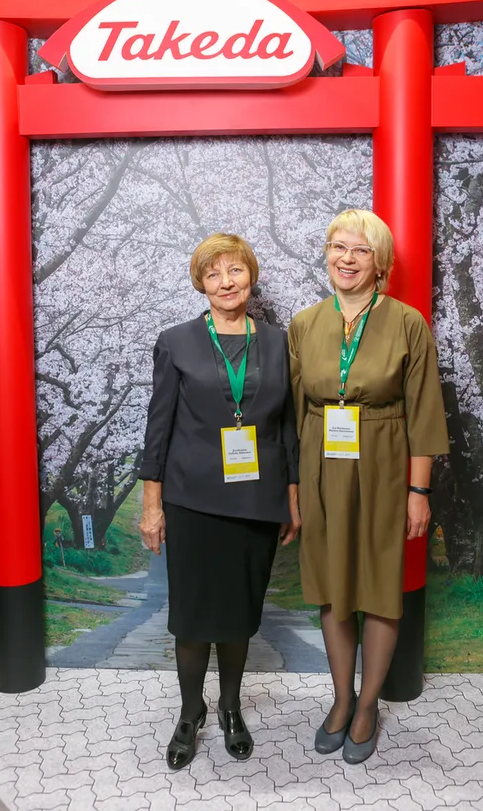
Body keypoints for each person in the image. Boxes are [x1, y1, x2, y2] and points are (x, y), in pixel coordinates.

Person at [288, 209, 449, 764]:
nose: (347, 258)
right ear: (327, 254)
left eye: (360, 249)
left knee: (380, 583)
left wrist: (418, 493)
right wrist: (294, 488)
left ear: (381, 263)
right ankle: (340, 699)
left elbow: (424, 412)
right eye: (339, 246)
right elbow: (291, 413)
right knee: (333, 584)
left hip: (385, 462)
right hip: (321, 461)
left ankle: (367, 706)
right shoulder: (305, 323)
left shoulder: (407, 323)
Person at [139, 233, 301, 772]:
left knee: (237, 615)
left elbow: (288, 427)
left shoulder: (278, 342)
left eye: (235, 271)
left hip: (257, 499)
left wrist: (292, 495)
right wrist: (152, 504)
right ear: (201, 284)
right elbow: (158, 428)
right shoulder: (176, 342)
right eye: (214, 274)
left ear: (250, 276)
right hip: (192, 500)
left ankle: (231, 707)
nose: (226, 282)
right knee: (191, 618)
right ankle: (191, 712)